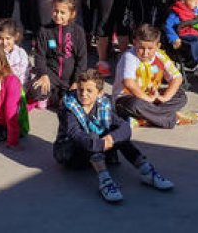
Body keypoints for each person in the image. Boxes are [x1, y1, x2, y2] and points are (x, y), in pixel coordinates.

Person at [54, 68, 174, 204]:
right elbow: (75, 134)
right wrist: (100, 144)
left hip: (97, 149)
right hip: (71, 153)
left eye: (89, 91)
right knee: (92, 135)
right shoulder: (69, 108)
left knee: (117, 134)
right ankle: (105, 181)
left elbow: (125, 128)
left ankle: (146, 171)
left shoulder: (103, 105)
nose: (83, 94)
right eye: (80, 89)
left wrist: (111, 139)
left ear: (100, 93)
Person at [114, 24, 198, 128]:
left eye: (150, 48)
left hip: (152, 97)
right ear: (135, 43)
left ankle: (146, 119)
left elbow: (177, 77)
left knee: (181, 96)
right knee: (135, 105)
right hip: (129, 99)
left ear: (157, 46)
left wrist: (164, 97)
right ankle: (171, 119)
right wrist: (146, 99)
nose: (145, 53)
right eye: (141, 48)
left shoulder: (160, 55)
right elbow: (128, 82)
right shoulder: (129, 56)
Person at [30, 0, 87, 110]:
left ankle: (56, 96)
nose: (58, 15)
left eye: (62, 12)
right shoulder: (44, 31)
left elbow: (82, 59)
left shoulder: (78, 32)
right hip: (51, 75)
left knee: (69, 104)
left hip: (70, 77)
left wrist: (76, 81)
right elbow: (39, 56)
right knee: (36, 92)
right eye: (56, 11)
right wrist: (43, 74)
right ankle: (50, 95)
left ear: (72, 14)